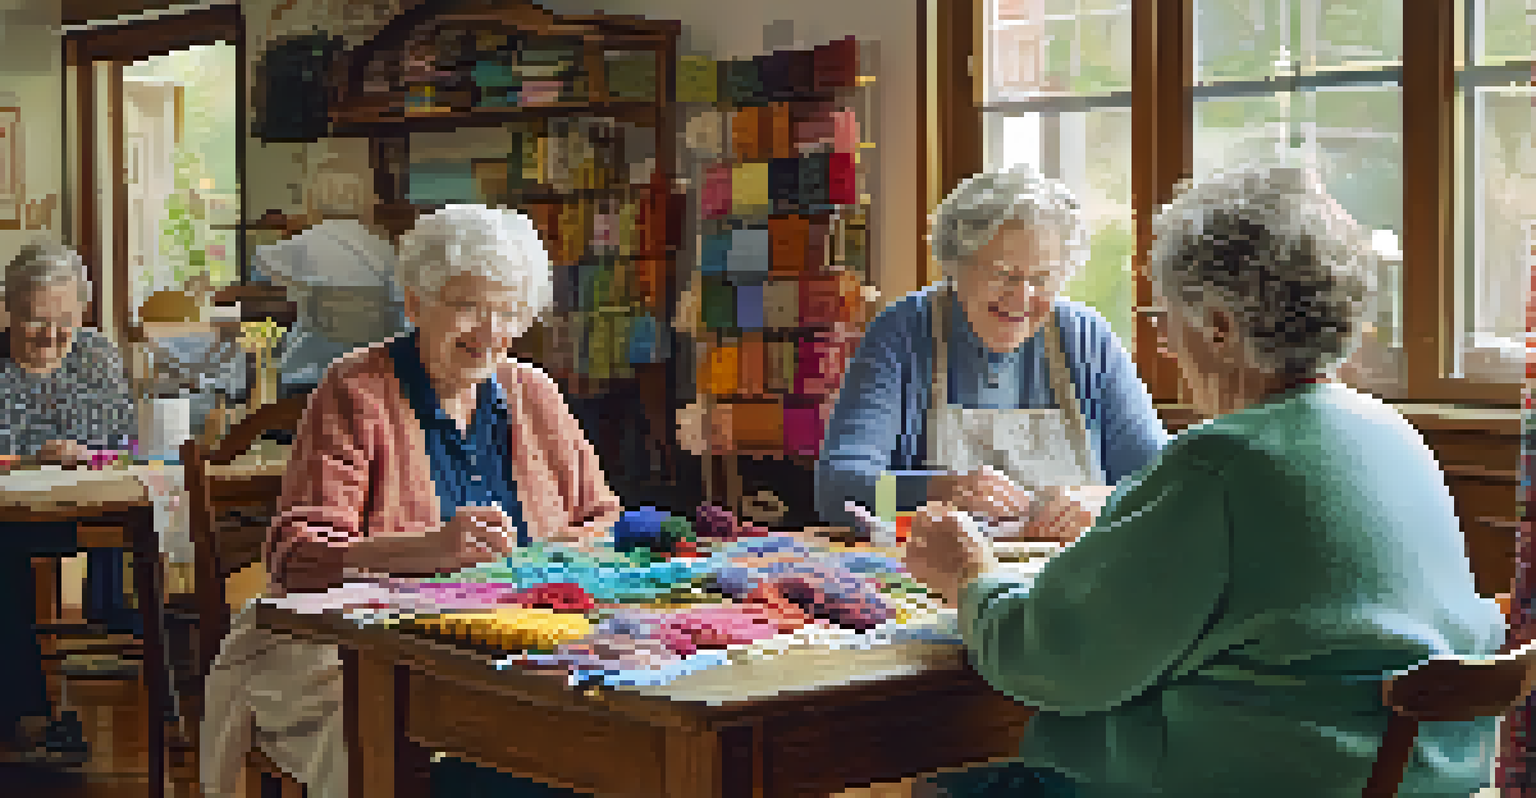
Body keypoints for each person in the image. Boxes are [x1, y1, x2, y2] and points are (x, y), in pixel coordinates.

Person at [903, 165, 1505, 797]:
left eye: (1167, 318)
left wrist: (972, 580)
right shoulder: (1399, 439)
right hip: (1414, 786)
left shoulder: (1218, 465)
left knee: (962, 783)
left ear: (1219, 326)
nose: (1164, 343)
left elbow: (1056, 661)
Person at [200, 205, 625, 798]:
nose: (487, 330)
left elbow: (602, 520)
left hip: (514, 648)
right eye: (465, 305)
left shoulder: (533, 392)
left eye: (505, 310)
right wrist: (425, 550)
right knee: (424, 749)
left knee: (609, 737)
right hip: (359, 654)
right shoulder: (356, 390)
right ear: (416, 302)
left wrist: (553, 563)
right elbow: (296, 558)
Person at [817, 161, 1168, 541]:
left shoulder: (1086, 339)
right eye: (1003, 275)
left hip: (1071, 581)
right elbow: (838, 489)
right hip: (934, 584)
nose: (1022, 297)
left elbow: (1167, 483)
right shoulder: (903, 331)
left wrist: (1105, 500)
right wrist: (941, 489)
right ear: (954, 263)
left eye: (1042, 278)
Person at [0, 240, 138, 763]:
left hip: (90, 508)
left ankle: (30, 716)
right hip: (12, 515)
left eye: (65, 320)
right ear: (9, 309)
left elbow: (121, 438)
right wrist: (33, 455)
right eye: (37, 320)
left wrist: (82, 452)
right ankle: (34, 713)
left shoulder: (96, 353)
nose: (53, 335)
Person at [250, 161, 411, 398]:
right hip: (376, 374)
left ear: (312, 199)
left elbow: (258, 277)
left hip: (309, 373)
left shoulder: (304, 243)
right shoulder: (385, 248)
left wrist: (289, 233)